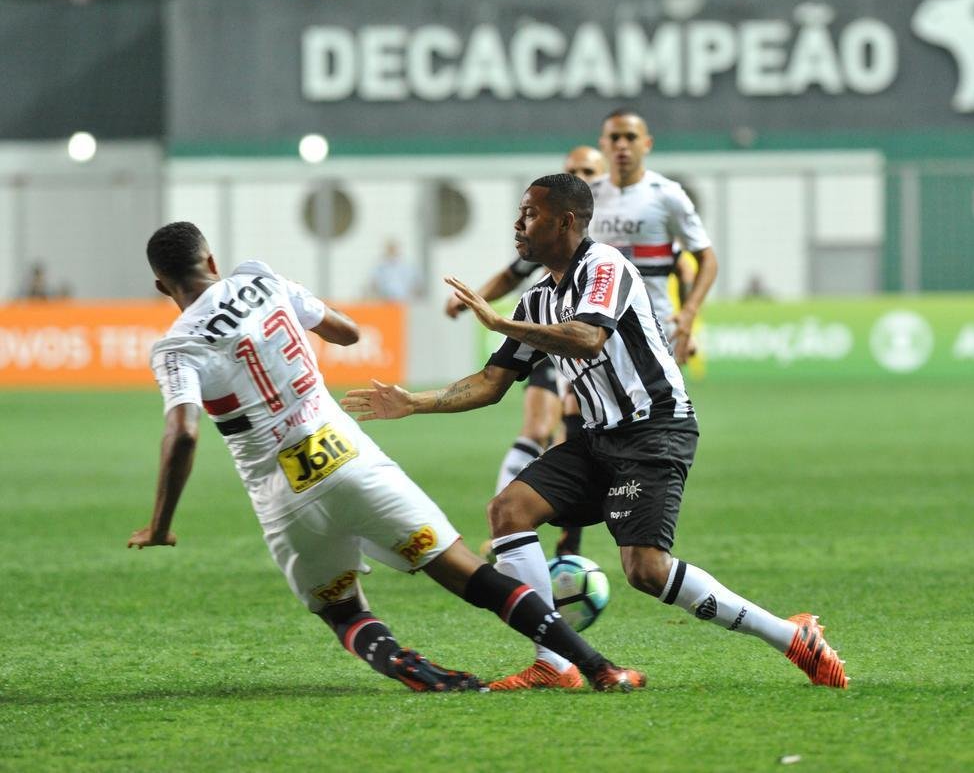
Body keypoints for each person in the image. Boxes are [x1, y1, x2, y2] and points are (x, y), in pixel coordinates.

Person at [341, 175, 848, 690]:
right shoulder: (537, 299)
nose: (519, 224)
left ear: (565, 221)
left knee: (646, 571)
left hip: (654, 430)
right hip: (597, 436)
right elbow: (492, 383)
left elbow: (587, 338)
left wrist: (498, 324)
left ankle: (789, 636)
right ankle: (555, 663)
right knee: (508, 510)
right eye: (519, 214)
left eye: (530, 214)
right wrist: (413, 403)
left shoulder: (605, 265)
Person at [129, 221, 645, 693]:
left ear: (161, 286)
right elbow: (347, 332)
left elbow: (183, 433)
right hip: (349, 455)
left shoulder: (175, 348)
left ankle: (407, 665)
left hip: (281, 493)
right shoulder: (261, 280)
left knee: (340, 608)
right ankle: (599, 667)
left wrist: (159, 524)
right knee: (467, 572)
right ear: (212, 261)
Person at [445, 145, 608, 557]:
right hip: (548, 338)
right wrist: (473, 298)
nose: (581, 174)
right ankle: (511, 525)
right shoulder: (550, 226)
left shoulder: (609, 241)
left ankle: (568, 546)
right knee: (537, 427)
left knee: (577, 429)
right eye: (573, 169)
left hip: (596, 343)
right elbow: (512, 274)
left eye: (588, 169)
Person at [591, 108, 719, 365]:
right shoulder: (588, 197)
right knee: (589, 406)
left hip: (654, 329)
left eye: (631, 137)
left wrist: (689, 312)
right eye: (615, 138)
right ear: (603, 144)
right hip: (598, 330)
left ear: (646, 144)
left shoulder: (667, 195)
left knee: (658, 406)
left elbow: (708, 260)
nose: (622, 145)